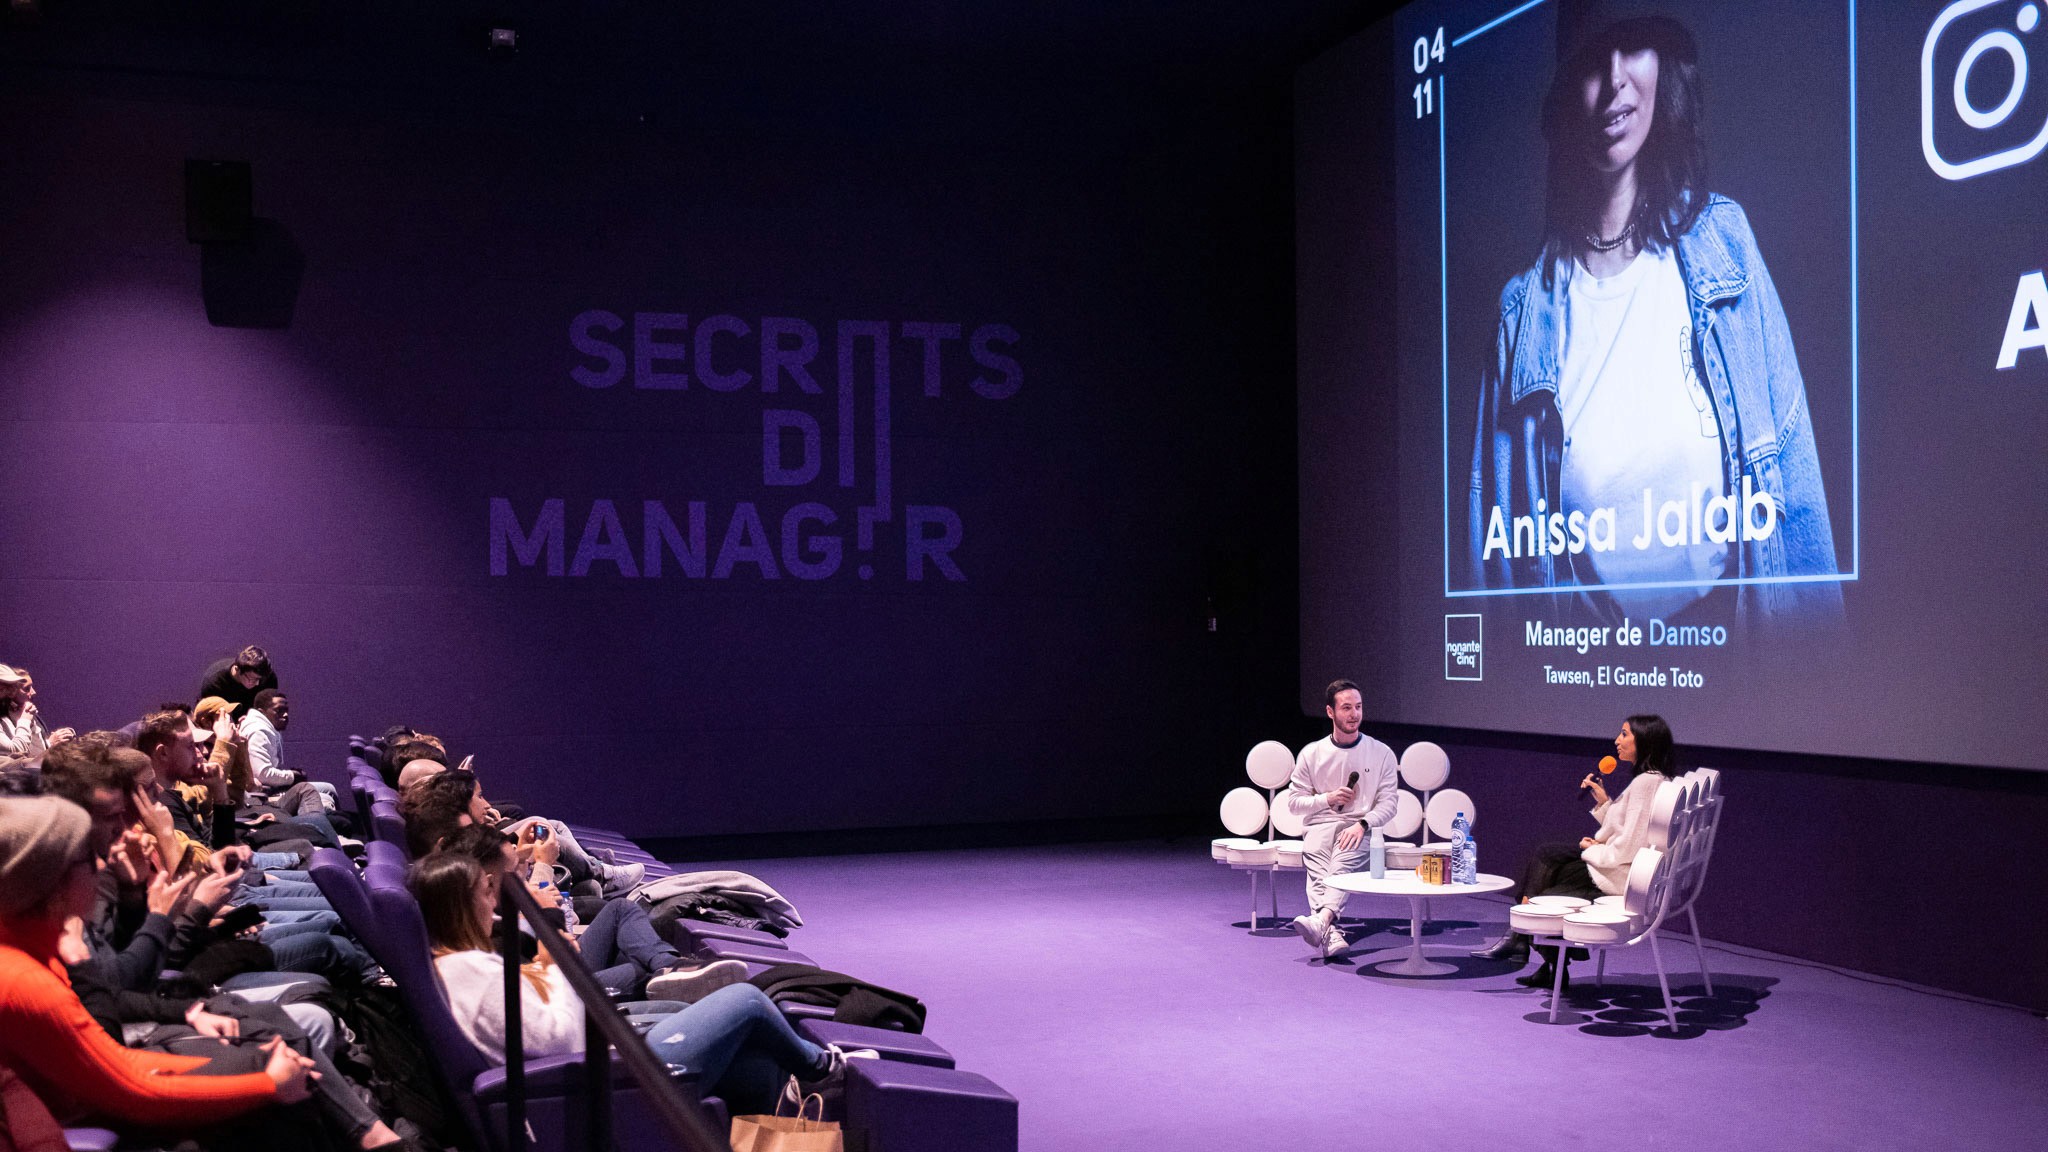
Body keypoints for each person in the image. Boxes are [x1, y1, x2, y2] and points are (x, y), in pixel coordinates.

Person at [1466, 0, 1841, 627]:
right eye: (1591, 60)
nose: (1614, 79)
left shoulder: (1726, 242)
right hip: (1586, 683)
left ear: (1663, 64)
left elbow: (1797, 494)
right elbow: (1491, 564)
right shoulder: (1520, 317)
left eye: (1633, 45)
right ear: (1564, 97)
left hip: (1737, 676)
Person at [408, 850, 870, 1116]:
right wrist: (556, 962)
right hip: (603, 1078)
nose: (494, 900)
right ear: (458, 908)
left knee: (754, 1065)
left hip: (603, 1056)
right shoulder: (467, 971)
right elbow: (561, 1038)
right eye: (485, 894)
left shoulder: (462, 960)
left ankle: (782, 1116)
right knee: (745, 1001)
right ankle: (824, 1068)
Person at [0, 795, 324, 1146]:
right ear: (51, 885)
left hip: (93, 1100)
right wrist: (265, 1083)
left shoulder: (36, 948)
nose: (100, 862)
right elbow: (129, 1091)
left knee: (264, 1061)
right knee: (272, 1090)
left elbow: (115, 1061)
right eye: (86, 861)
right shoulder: (23, 979)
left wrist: (256, 1069)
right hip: (75, 1122)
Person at [1472, 714, 1680, 988]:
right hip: (1619, 868)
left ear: (1645, 741)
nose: (1617, 741)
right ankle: (1525, 944)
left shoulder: (1645, 783)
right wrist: (1605, 803)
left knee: (1544, 892)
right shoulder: (1652, 780)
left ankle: (1522, 940)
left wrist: (1593, 850)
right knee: (1547, 856)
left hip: (1618, 878)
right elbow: (1630, 829)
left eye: (1625, 734)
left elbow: (1627, 847)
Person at [1281, 679, 1399, 959]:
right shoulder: (1312, 753)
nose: (1354, 714)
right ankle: (1329, 929)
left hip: (1358, 826)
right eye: (1346, 708)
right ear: (1330, 712)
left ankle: (1320, 923)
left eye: (1358, 707)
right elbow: (1294, 803)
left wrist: (1364, 823)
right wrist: (1328, 798)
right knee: (1321, 873)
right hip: (1320, 825)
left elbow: (1389, 804)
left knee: (1340, 867)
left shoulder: (1380, 752)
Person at [240, 690, 344, 816]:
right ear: (262, 712)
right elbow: (263, 774)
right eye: (279, 710)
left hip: (270, 789)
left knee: (328, 789)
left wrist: (291, 775)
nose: (285, 715)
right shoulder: (259, 731)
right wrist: (292, 776)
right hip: (262, 796)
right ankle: (323, 827)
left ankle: (334, 826)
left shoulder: (266, 728)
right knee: (325, 792)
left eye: (286, 710)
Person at [0, 666, 74, 758]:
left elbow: (37, 755)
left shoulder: (25, 713)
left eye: (11, 688)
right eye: (26, 688)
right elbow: (18, 754)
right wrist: (24, 720)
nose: (33, 692)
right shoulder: (11, 718)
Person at [197, 646, 278, 720]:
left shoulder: (268, 678)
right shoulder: (214, 683)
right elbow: (212, 718)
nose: (257, 684)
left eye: (260, 679)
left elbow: (269, 709)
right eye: (252, 679)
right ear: (237, 669)